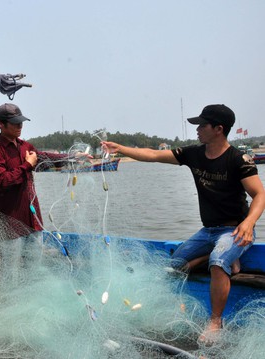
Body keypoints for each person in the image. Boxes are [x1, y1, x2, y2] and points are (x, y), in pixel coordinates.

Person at [101, 104, 265, 343]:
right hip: (208, 231)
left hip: (234, 229)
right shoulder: (194, 153)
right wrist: (120, 149)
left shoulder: (239, 159)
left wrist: (249, 223)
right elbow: (154, 155)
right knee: (175, 262)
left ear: (219, 129)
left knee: (218, 261)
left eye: (202, 125)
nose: (197, 129)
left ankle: (215, 322)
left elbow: (259, 194)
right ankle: (228, 261)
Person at [0, 103, 87, 284]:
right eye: (14, 123)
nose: (19, 126)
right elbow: (3, 182)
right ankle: (12, 305)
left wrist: (73, 158)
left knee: (34, 270)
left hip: (33, 221)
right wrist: (27, 165)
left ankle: (31, 302)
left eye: (21, 122)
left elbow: (45, 159)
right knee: (10, 273)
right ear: (0, 124)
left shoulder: (25, 146)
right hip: (10, 226)